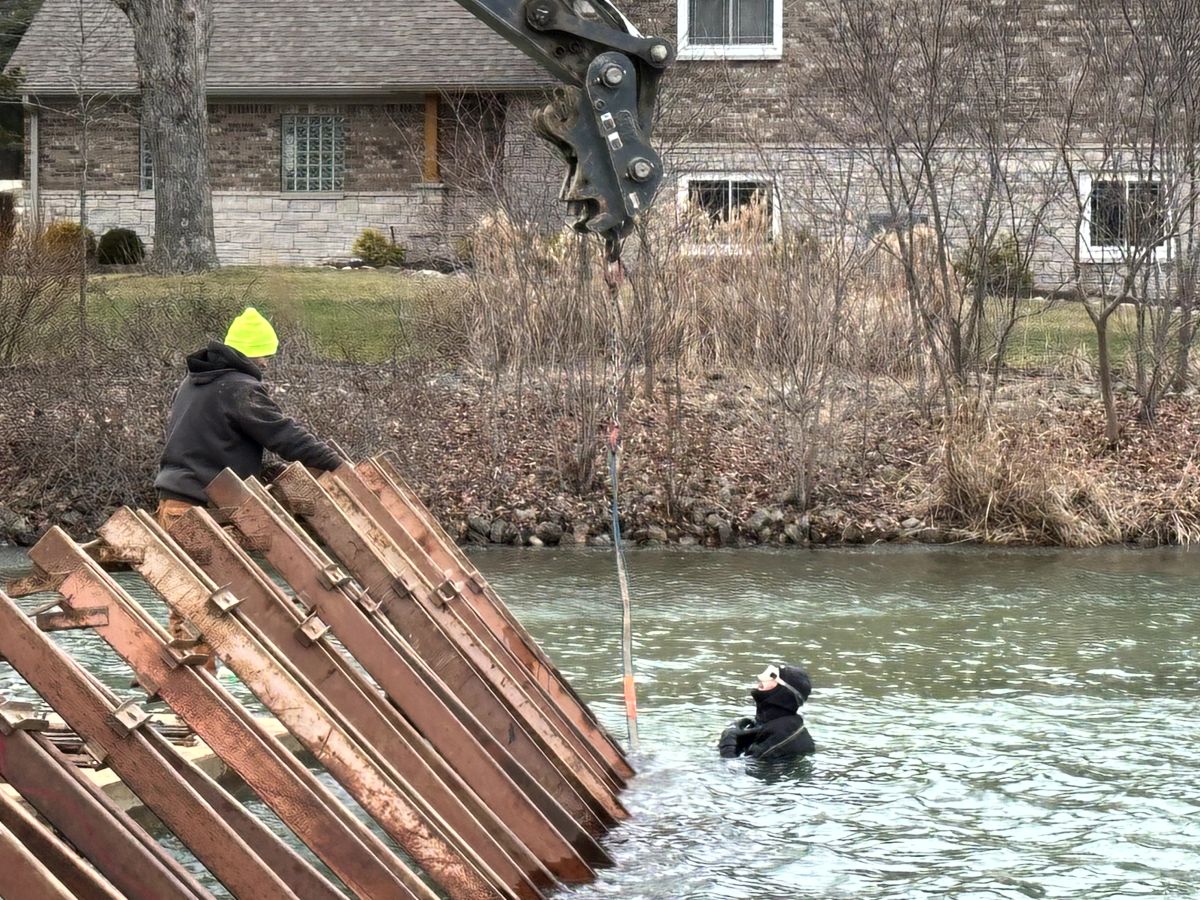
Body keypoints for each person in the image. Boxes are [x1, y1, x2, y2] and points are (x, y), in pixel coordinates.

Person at [153, 307, 345, 670]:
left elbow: (217, 443)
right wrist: (338, 466)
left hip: (173, 502)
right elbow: (285, 436)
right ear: (252, 353)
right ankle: (201, 708)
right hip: (204, 508)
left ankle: (193, 699)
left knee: (190, 605)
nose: (268, 364)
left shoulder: (195, 384)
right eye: (266, 356)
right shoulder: (239, 388)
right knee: (205, 610)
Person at [718, 663, 815, 759]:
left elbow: (734, 772)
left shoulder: (781, 739)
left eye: (772, 676)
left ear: (783, 693)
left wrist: (727, 748)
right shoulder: (773, 726)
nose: (761, 679)